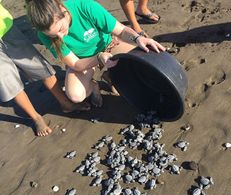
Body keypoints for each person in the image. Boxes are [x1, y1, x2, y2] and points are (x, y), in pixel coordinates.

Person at [26, 0, 165, 107]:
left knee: (142, 63)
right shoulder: (43, 34)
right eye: (53, 35)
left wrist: (138, 38)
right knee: (75, 95)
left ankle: (112, 76)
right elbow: (75, 63)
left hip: (109, 45)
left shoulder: (84, 6)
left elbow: (121, 31)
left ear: (63, 10)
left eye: (61, 29)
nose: (61, 37)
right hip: (83, 60)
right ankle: (93, 86)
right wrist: (98, 58)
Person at [0, 2, 90, 137]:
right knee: (8, 82)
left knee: (39, 66)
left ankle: (65, 103)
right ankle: (36, 117)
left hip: (6, 28)